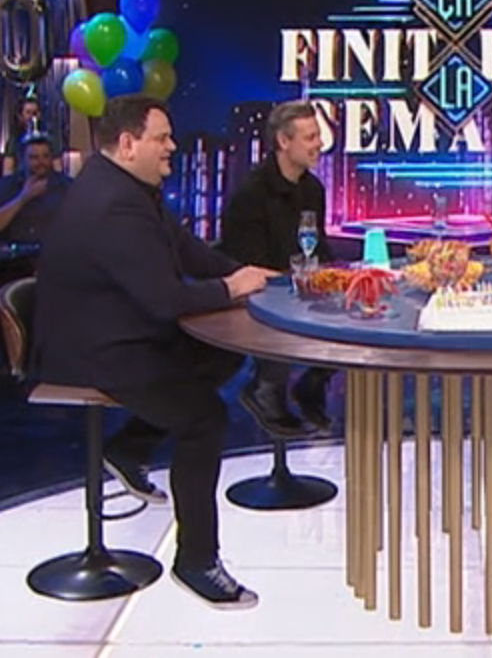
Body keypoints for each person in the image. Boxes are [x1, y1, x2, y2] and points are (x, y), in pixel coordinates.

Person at [34, 94, 273, 608]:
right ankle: (197, 562)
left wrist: (247, 275)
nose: (172, 146)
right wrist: (231, 289)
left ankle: (129, 448)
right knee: (203, 417)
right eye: (161, 138)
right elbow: (164, 299)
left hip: (118, 328)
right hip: (93, 348)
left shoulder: (129, 188)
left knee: (221, 354)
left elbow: (188, 252)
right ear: (127, 143)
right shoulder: (113, 205)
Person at [219, 101, 336, 436]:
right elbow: (246, 264)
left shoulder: (312, 189)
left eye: (318, 136)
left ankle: (311, 385)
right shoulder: (251, 193)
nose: (319, 144)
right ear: (284, 142)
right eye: (310, 137)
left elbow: (318, 247)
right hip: (259, 288)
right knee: (283, 303)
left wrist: (338, 276)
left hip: (298, 281)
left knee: (350, 303)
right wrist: (296, 277)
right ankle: (265, 389)